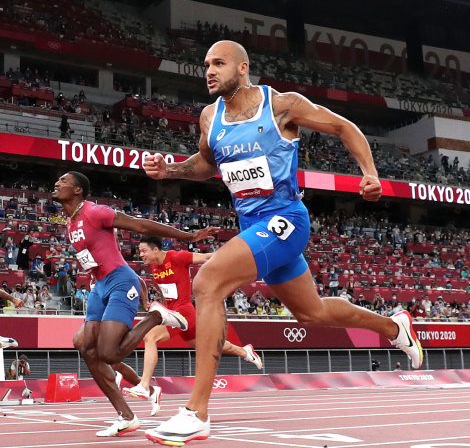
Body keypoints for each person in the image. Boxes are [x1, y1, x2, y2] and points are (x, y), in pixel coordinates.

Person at [142, 40, 423, 446]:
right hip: (252, 226)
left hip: (286, 220)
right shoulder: (209, 116)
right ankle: (394, 327)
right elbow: (206, 164)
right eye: (206, 64)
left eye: (218, 63)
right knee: (312, 313)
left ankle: (196, 412)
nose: (209, 71)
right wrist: (170, 170)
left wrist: (370, 173)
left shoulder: (282, 105)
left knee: (206, 283)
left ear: (242, 68)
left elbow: (345, 126)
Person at [53, 171, 218, 437]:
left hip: (119, 282)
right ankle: (126, 416)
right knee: (84, 345)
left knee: (109, 354)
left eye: (63, 181)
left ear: (78, 191)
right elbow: (93, 258)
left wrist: (188, 237)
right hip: (100, 287)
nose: (57, 183)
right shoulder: (70, 223)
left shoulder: (95, 212)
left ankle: (157, 316)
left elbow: (140, 226)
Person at [122, 236, 262, 416]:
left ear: (155, 250)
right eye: (139, 251)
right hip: (172, 312)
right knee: (206, 345)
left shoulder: (177, 257)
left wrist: (233, 256)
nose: (140, 255)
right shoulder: (154, 266)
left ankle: (144, 385)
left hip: (184, 312)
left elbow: (206, 258)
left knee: (151, 336)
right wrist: (147, 300)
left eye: (143, 251)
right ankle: (245, 352)